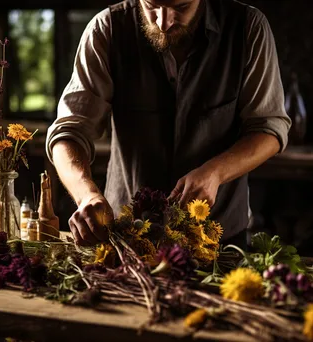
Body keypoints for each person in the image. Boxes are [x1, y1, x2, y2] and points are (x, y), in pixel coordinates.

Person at [46, 0, 291, 248]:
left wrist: (216, 172)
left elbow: (269, 129)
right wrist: (86, 195)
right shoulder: (106, 30)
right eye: (151, 7)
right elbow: (69, 132)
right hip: (127, 238)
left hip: (219, 240)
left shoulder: (248, 28)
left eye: (181, 7)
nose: (163, 22)